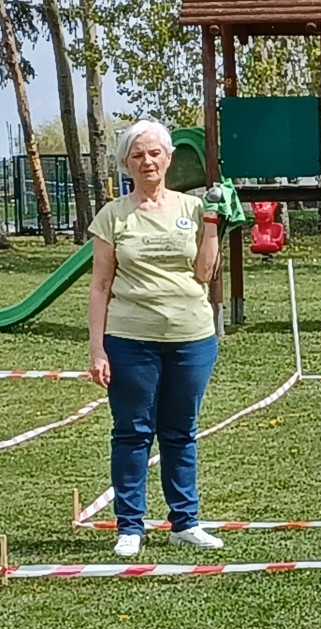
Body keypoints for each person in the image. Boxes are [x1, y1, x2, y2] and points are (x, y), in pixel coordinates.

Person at [87, 119, 224, 557]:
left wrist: (212, 224)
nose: (147, 161)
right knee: (132, 433)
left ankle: (185, 522)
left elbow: (204, 274)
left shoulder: (191, 207)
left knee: (180, 432)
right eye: (137, 155)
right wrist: (97, 347)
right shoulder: (113, 215)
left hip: (192, 338)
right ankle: (130, 526)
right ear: (127, 163)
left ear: (168, 158)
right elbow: (100, 286)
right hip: (130, 340)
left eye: (154, 153)